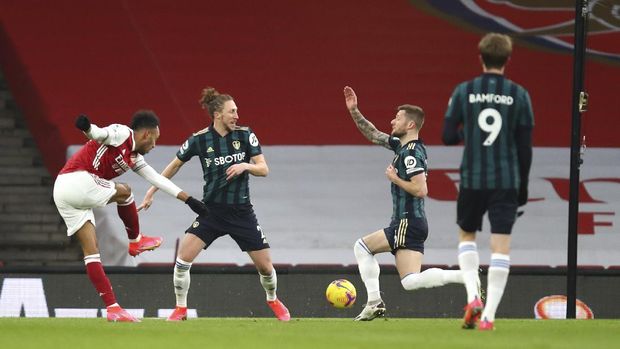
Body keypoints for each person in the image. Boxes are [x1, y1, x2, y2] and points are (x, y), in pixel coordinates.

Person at [139, 87, 290, 322]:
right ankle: (180, 309)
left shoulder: (246, 135)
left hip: (241, 211)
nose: (237, 115)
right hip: (212, 211)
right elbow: (174, 165)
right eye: (232, 111)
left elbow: (264, 169)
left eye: (237, 111)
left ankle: (272, 298)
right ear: (218, 114)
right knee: (182, 259)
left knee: (266, 267)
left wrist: (245, 166)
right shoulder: (199, 140)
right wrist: (151, 190)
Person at [53, 110, 207, 322]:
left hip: (63, 191)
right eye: (155, 139)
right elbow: (99, 134)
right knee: (125, 192)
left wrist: (189, 200)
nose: (154, 145)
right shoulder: (122, 133)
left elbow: (158, 179)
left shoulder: (134, 157)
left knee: (92, 253)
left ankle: (113, 308)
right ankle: (136, 241)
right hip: (77, 179)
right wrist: (87, 127)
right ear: (145, 134)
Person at [344, 86, 465, 321]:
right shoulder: (406, 147)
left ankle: (374, 302)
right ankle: (464, 276)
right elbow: (374, 134)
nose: (392, 121)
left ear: (410, 125)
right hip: (414, 223)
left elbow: (421, 190)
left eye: (397, 118)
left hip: (406, 221)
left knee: (362, 247)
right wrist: (354, 111)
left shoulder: (410, 154)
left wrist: (395, 178)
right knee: (410, 282)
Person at [442, 33, 534, 331]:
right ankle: (490, 317)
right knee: (500, 247)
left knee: (467, 237)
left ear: (480, 58)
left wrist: (463, 135)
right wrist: (522, 187)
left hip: (472, 178)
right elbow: (524, 148)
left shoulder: (464, 91)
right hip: (506, 180)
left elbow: (446, 136)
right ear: (508, 59)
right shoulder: (519, 95)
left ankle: (472, 298)